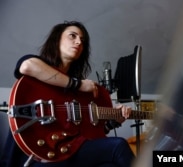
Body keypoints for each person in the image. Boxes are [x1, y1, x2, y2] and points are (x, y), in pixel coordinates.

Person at [0, 21, 135, 167]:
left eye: (82, 41)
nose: (78, 42)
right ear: (57, 39)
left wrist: (114, 121)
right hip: (36, 158)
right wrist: (78, 84)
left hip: (67, 151)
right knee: (118, 146)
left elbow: (88, 134)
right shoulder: (38, 66)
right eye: (72, 36)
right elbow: (27, 66)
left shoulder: (77, 93)